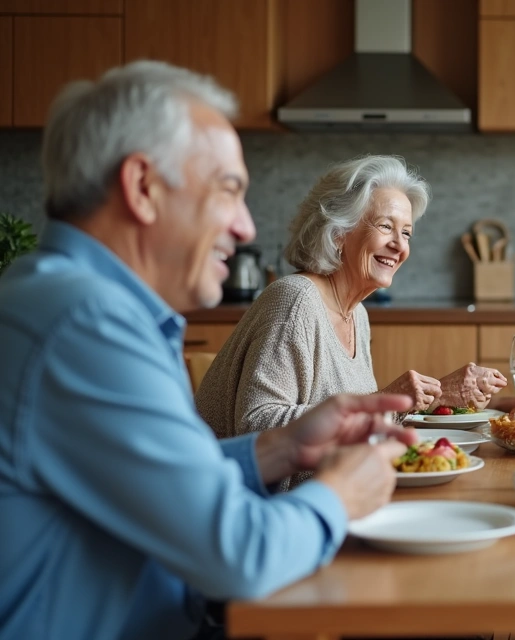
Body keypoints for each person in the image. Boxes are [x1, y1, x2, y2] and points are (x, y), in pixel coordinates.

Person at [0, 61, 418, 640]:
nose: (245, 228)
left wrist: (280, 447)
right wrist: (340, 495)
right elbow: (241, 555)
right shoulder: (88, 324)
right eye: (228, 191)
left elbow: (162, 483)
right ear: (143, 187)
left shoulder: (66, 299)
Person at [195, 155, 508, 452]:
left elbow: (357, 427)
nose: (399, 245)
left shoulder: (357, 314)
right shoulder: (295, 301)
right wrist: (386, 400)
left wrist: (438, 396)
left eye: (407, 233)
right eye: (385, 226)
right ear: (338, 232)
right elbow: (257, 431)